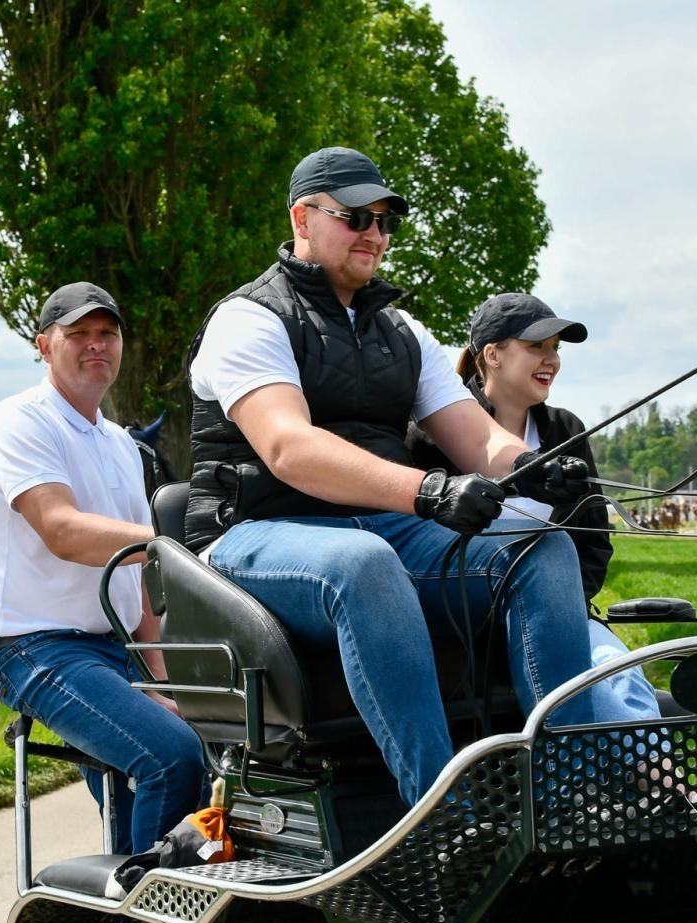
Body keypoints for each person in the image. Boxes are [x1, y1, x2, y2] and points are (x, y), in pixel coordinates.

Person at [184, 146, 621, 808]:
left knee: (543, 547)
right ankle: (441, 812)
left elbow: (475, 437)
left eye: (386, 220)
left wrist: (531, 469)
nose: (375, 234)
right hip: (257, 533)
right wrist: (427, 491)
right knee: (364, 562)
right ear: (303, 217)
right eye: (356, 217)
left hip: (378, 529)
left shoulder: (403, 332)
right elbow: (288, 447)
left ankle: (567, 798)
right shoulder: (250, 317)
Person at [0, 281, 205, 855]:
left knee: (207, 748)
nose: (96, 345)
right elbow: (62, 530)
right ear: (45, 346)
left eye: (108, 333)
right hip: (35, 647)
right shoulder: (21, 421)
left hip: (114, 651)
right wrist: (173, 541)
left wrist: (159, 676)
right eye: (78, 334)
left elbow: (136, 575)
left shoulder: (121, 444)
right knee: (172, 758)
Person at [408, 292, 662, 721]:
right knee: (581, 687)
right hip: (465, 623)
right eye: (536, 347)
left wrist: (558, 608)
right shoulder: (428, 436)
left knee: (622, 673)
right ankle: (659, 782)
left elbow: (592, 541)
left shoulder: (566, 430)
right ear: (492, 355)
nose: (552, 360)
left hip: (558, 613)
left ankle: (651, 779)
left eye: (555, 349)